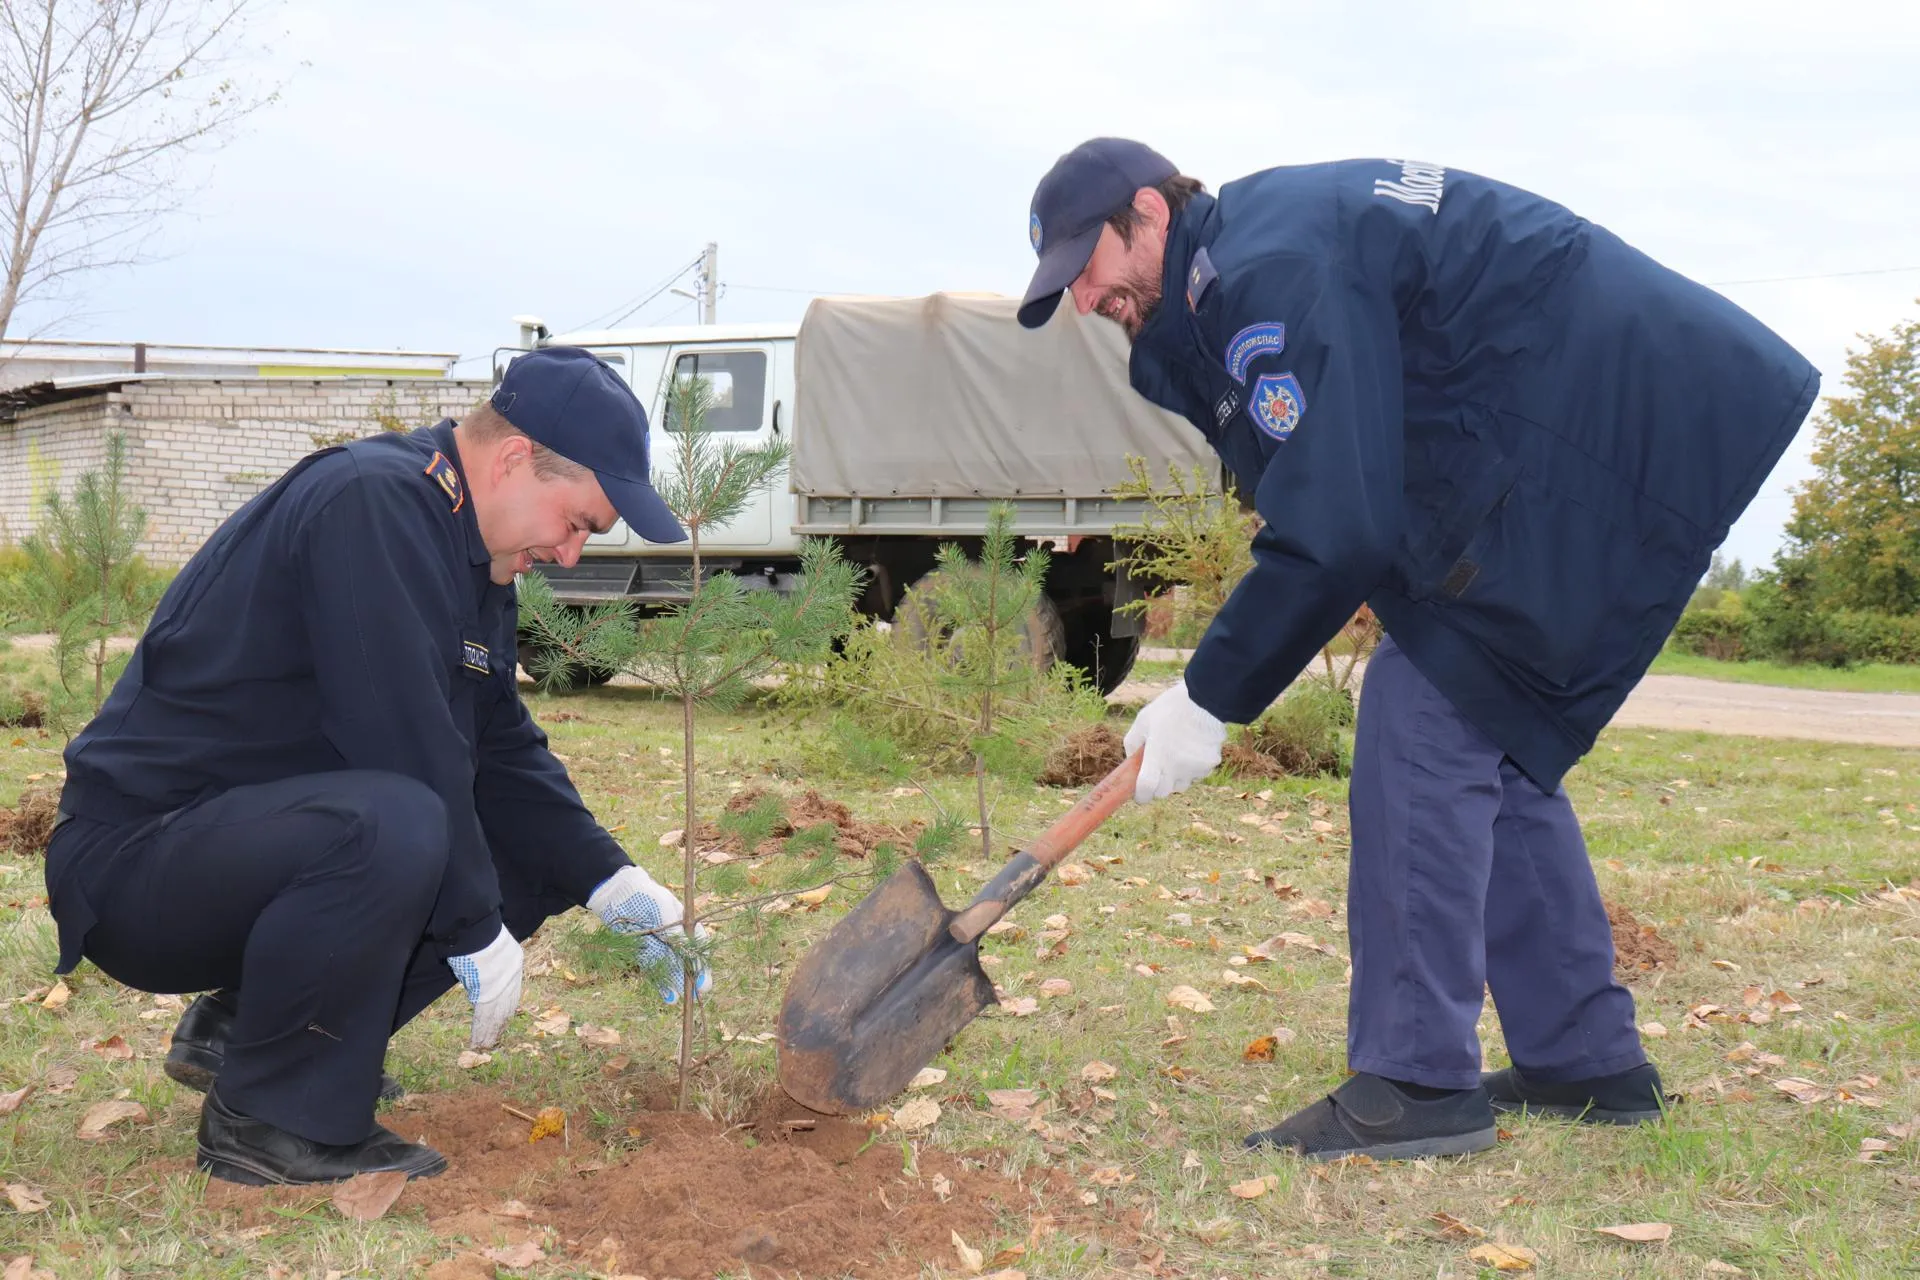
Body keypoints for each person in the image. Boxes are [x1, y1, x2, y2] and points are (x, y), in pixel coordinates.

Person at [1018, 139, 1817, 1161]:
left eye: (1088, 265)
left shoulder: (1272, 271)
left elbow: (1338, 527)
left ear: (1150, 214)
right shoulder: (1256, 251)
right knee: (1487, 709)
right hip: (1593, 415)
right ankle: (1585, 1059)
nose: (1085, 300)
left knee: (1421, 705)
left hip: (1607, 425)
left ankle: (1415, 1079)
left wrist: (1207, 696)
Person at [43, 346, 711, 1186]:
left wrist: (616, 884)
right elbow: (398, 734)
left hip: (243, 855)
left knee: (522, 859)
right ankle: (274, 1120)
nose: (571, 554)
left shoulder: (474, 561)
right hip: (137, 865)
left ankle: (246, 1033)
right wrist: (471, 925)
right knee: (399, 822)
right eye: (576, 522)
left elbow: (498, 745)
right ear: (513, 459)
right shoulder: (374, 504)